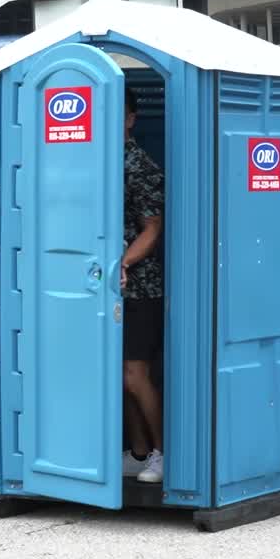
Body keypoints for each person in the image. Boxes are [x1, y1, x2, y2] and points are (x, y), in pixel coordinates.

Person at [119, 89, 166, 484]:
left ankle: (162, 454)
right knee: (119, 375)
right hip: (104, 288)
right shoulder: (92, 161)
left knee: (135, 374)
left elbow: (152, 230)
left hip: (141, 287)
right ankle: (137, 452)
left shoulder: (140, 166)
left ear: (131, 119)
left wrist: (124, 263)